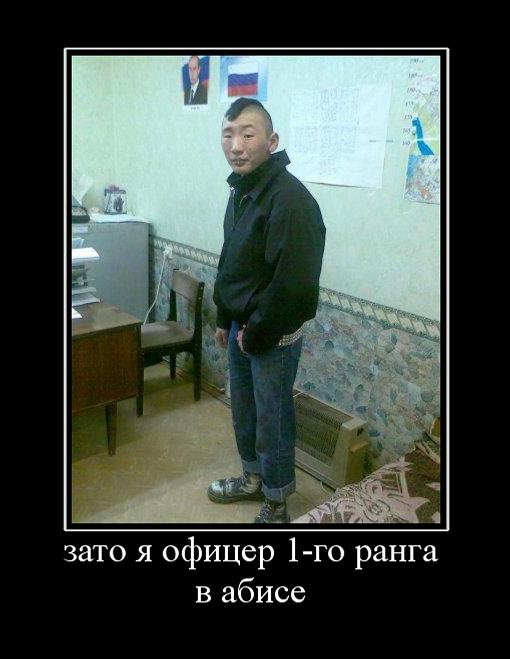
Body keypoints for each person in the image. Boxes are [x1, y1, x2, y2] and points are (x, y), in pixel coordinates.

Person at [208, 98, 326, 523]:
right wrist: (225, 317)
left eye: (248, 134)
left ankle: (276, 502)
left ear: (271, 141)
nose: (236, 145)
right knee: (244, 409)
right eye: (228, 134)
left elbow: (293, 284)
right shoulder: (242, 189)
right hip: (244, 326)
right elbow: (232, 260)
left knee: (272, 417)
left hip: (273, 332)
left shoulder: (291, 200)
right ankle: (252, 478)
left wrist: (255, 331)